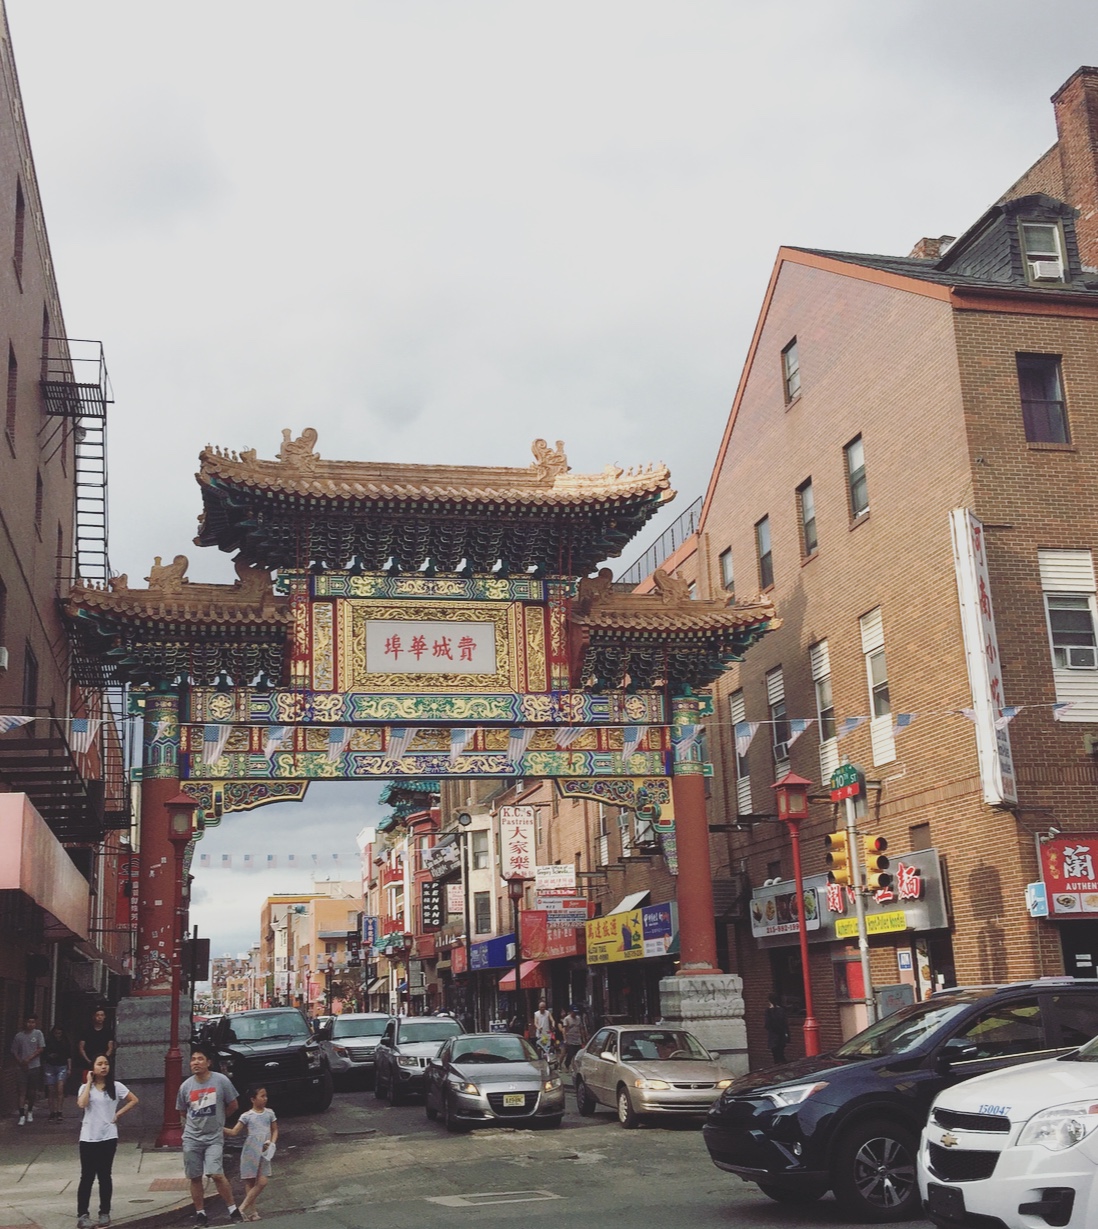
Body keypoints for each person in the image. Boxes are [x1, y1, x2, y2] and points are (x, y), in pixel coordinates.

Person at [177, 1047, 243, 1226]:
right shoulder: (186, 1086)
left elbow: (233, 1104)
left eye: (200, 1059)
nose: (196, 1063)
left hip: (214, 1137)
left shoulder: (221, 1081)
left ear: (208, 1063)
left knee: (216, 1173)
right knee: (195, 1176)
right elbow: (183, 1111)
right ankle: (200, 1213)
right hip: (192, 1138)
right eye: (193, 1059)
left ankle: (232, 1209)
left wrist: (219, 1121)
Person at [76, 1054, 138, 1229]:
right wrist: (89, 1082)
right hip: (88, 1137)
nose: (103, 1067)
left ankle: (105, 1212)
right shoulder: (84, 1088)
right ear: (93, 1068)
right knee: (87, 1176)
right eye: (99, 1064)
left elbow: (134, 1100)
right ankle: (83, 1214)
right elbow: (82, 1104)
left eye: (106, 1064)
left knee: (105, 1176)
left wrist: (118, 1114)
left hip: (108, 1136)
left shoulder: (116, 1087)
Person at [224, 1086, 278, 1221]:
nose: (265, 1098)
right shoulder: (246, 1116)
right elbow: (234, 1132)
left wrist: (272, 1143)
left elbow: (275, 1130)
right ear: (253, 1099)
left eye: (265, 1096)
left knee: (262, 1181)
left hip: (264, 1150)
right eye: (262, 1096)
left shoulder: (269, 1113)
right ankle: (253, 1212)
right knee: (250, 1181)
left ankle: (241, 1208)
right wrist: (218, 1127)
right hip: (250, 1149)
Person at [10, 1013, 45, 1125]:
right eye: (29, 1022)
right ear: (25, 1023)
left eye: (33, 1022)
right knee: (22, 1091)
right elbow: (14, 1051)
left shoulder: (38, 1034)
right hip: (21, 1068)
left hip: (34, 1066)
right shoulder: (19, 1036)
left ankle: (29, 1110)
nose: (30, 1024)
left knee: (31, 1091)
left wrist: (29, 1059)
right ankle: (21, 1115)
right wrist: (21, 1062)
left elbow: (41, 1048)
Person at [43, 1024, 72, 1122]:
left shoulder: (65, 1042)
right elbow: (44, 1053)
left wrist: (69, 1068)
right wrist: (49, 1056)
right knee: (51, 1090)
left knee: (60, 1089)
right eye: (56, 1033)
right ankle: (52, 1112)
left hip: (62, 1066)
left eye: (59, 1033)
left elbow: (69, 1056)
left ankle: (59, 1111)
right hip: (50, 1066)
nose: (58, 1035)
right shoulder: (48, 1041)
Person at [78, 1009, 115, 1077]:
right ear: (93, 1017)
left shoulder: (108, 1032)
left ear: (105, 1017)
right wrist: (88, 1060)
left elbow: (110, 1048)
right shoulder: (86, 1031)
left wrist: (103, 1059)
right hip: (88, 1062)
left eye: (102, 1015)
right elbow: (81, 1048)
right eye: (97, 1015)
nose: (100, 1017)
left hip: (102, 1063)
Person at [764, 992, 790, 1065]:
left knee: (776, 1056)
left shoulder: (768, 1011)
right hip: (781, 1037)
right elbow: (785, 1024)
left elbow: (767, 1025)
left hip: (773, 1037)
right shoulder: (781, 1010)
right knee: (781, 1054)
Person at [560, 1005, 587, 1071]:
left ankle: (576, 1066)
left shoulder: (578, 1018)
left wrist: (583, 1038)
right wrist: (565, 1039)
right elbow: (564, 1030)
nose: (574, 1014)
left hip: (577, 1038)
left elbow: (581, 1028)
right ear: (571, 1012)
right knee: (570, 1053)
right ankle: (567, 1064)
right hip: (570, 1039)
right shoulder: (567, 1019)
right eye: (573, 1012)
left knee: (578, 1054)